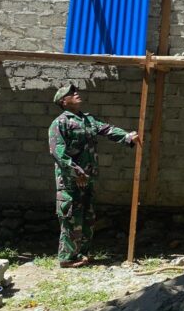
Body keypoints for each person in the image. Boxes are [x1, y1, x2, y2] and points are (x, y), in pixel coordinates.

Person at [48, 83, 139, 268]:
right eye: (71, 93)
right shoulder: (60, 123)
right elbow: (58, 152)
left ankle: (82, 254)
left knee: (87, 219)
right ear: (63, 102)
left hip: (87, 179)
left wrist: (127, 137)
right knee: (71, 218)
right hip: (70, 181)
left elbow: (106, 129)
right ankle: (67, 258)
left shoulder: (87, 120)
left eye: (75, 91)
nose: (76, 94)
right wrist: (76, 172)